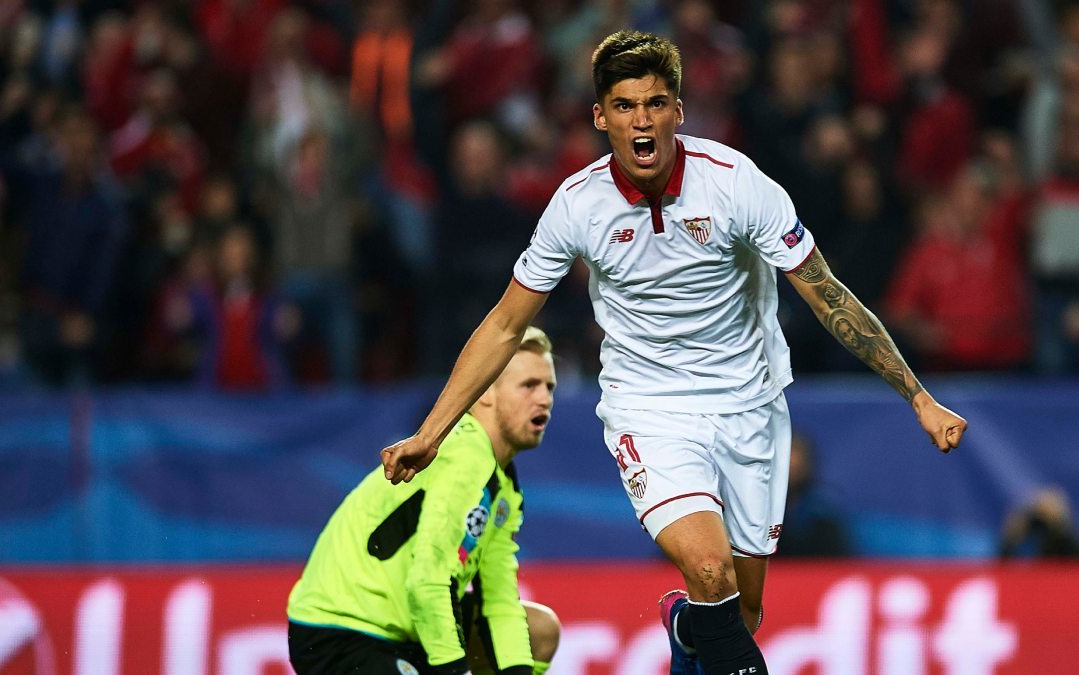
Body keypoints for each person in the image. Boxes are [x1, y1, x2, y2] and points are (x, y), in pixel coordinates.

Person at [382, 31, 968, 675]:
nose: (642, 120)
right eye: (625, 106)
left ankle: (686, 629)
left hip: (750, 404)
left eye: (656, 103)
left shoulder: (735, 184)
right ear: (600, 116)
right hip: (650, 408)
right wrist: (430, 433)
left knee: (739, 614)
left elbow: (828, 296)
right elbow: (503, 324)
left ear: (678, 111)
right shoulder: (577, 206)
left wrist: (918, 396)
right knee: (710, 570)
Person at [288, 327, 562, 675]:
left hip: (407, 629)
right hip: (341, 630)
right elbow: (428, 582)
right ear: (485, 393)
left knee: (538, 631)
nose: (544, 399)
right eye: (529, 385)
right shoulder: (465, 455)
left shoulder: (504, 485)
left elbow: (498, 600)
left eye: (549, 386)